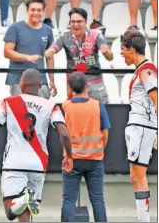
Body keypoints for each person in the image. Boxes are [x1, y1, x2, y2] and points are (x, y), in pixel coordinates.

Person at [0, 68, 73, 222]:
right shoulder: (51, 105)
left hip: (14, 163)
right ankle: (25, 199)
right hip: (38, 164)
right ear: (40, 85)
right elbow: (64, 133)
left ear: (21, 84)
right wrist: (69, 155)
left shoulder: (8, 102)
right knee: (26, 211)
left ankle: (22, 199)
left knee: (11, 211)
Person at [60, 72, 110, 222]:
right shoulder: (98, 106)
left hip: (72, 159)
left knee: (69, 200)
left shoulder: (65, 107)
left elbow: (63, 133)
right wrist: (99, 149)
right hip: (95, 160)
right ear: (87, 86)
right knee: (97, 199)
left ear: (70, 88)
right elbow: (105, 133)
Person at [120, 30, 157, 222]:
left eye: (123, 50)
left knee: (139, 177)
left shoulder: (146, 70)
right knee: (136, 177)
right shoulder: (141, 69)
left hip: (142, 126)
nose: (121, 54)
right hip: (139, 126)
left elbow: (157, 99)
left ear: (132, 50)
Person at [45, 7, 113, 103]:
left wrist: (107, 53)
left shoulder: (96, 34)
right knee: (76, 116)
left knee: (100, 115)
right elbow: (53, 48)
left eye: (79, 21)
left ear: (85, 22)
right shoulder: (65, 37)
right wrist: (49, 52)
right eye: (73, 22)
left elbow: (110, 57)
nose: (75, 24)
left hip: (95, 84)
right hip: (74, 85)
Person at [4, 0, 57, 99]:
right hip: (18, 79)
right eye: (33, 10)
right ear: (27, 11)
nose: (35, 13)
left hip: (40, 79)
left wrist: (52, 80)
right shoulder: (15, 28)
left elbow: (49, 57)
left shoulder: (48, 30)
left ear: (43, 11)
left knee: (41, 111)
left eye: (39, 10)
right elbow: (7, 52)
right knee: (23, 111)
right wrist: (27, 57)